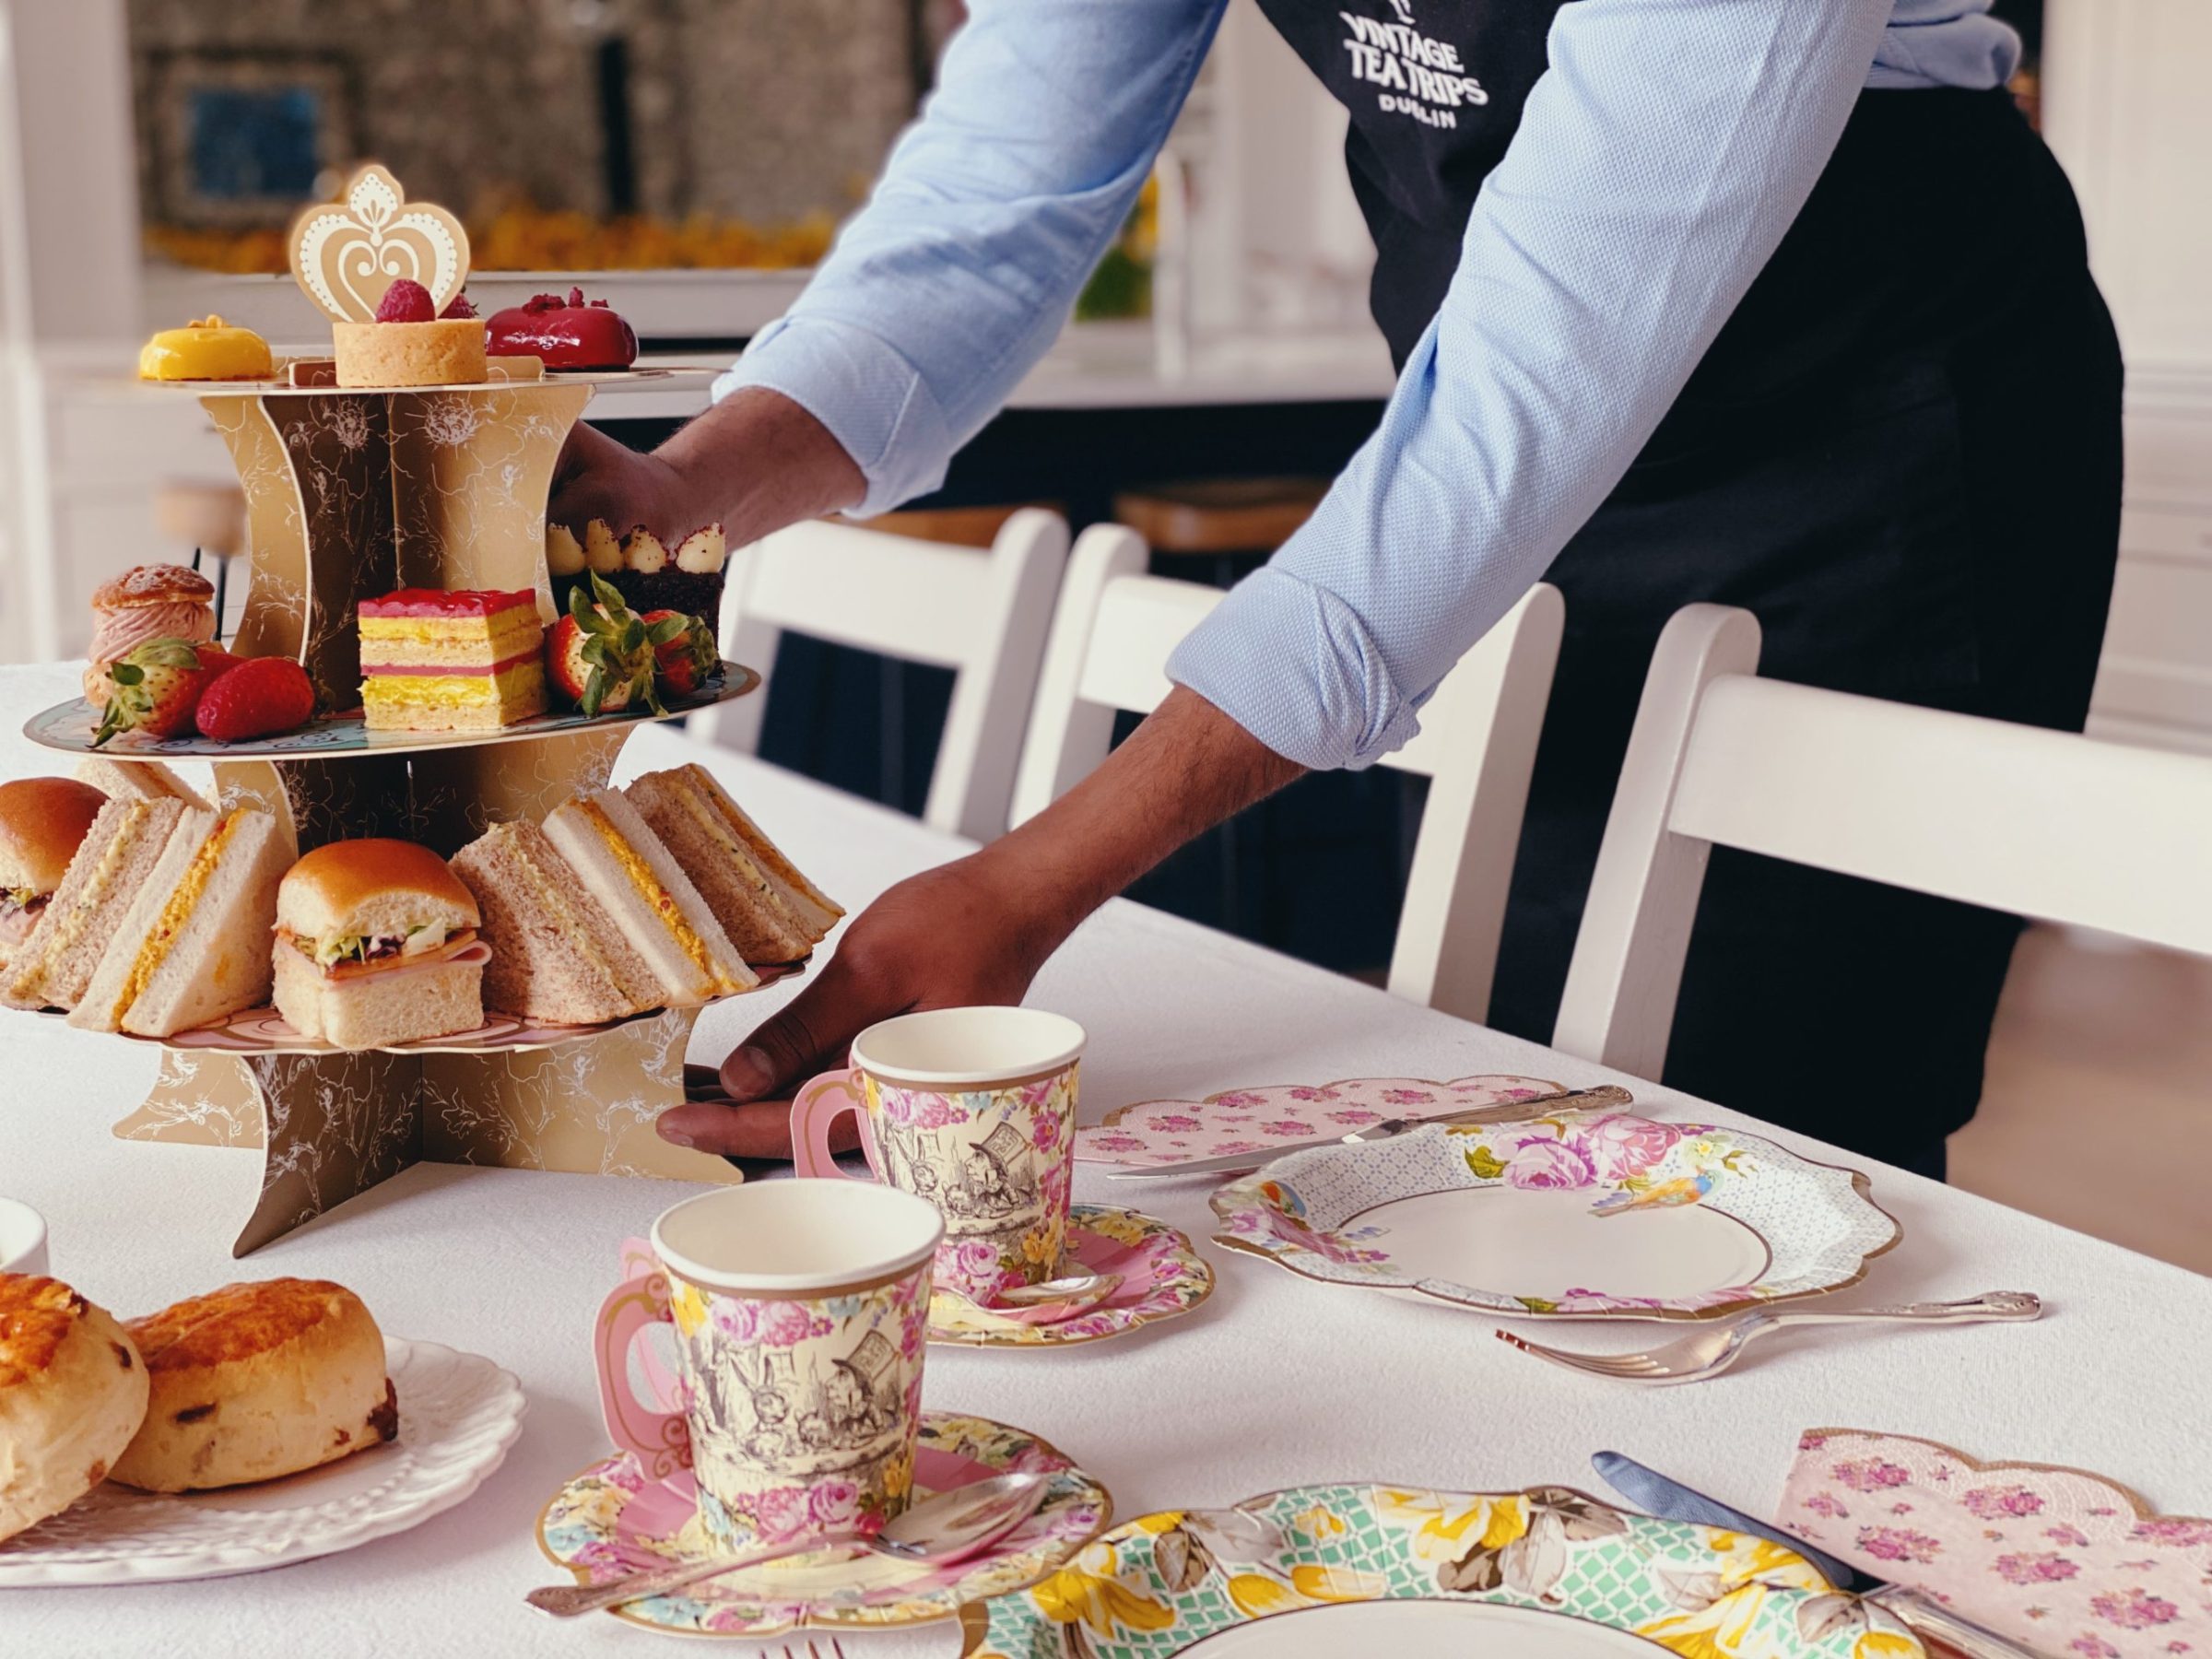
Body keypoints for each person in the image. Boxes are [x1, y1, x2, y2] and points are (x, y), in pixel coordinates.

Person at [555, 0, 2121, 1176]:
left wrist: (1027, 888)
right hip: (1497, 465)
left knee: (1770, 1140)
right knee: (1529, 1089)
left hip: (1866, 446)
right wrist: (682, 494)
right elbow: (991, 203)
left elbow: (1551, 355)